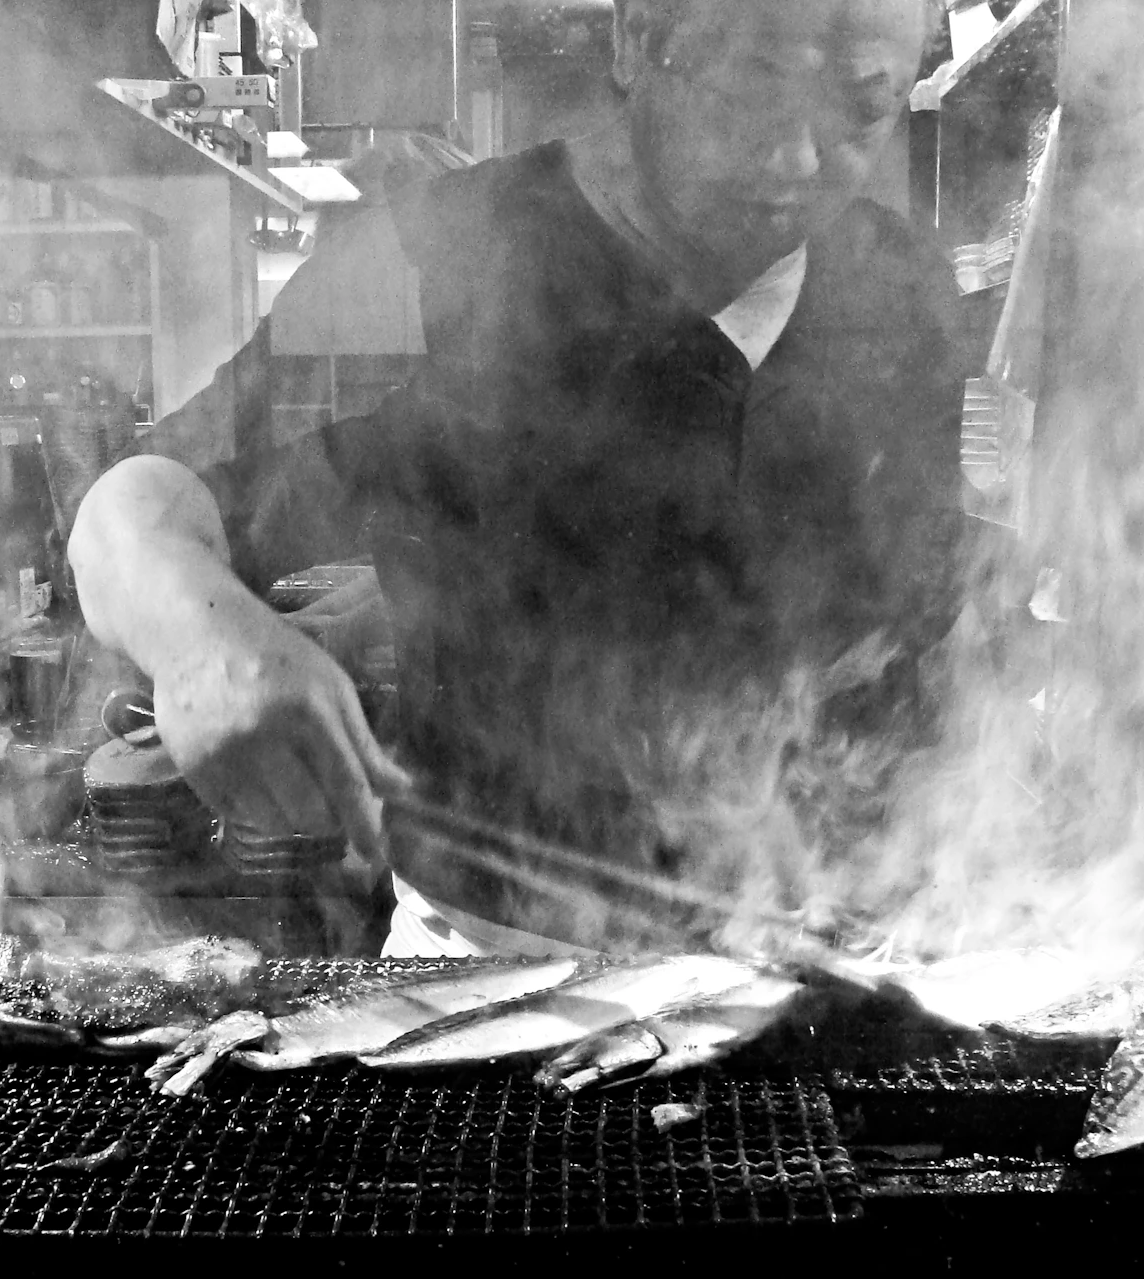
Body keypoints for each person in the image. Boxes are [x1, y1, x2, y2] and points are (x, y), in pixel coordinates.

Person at [68, 0, 970, 957]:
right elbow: (130, 509)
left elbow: (908, 630)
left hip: (818, 951)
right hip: (498, 961)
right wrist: (204, 639)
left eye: (862, 109)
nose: (796, 158)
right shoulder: (433, 259)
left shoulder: (903, 295)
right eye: (750, 89)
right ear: (637, 40)